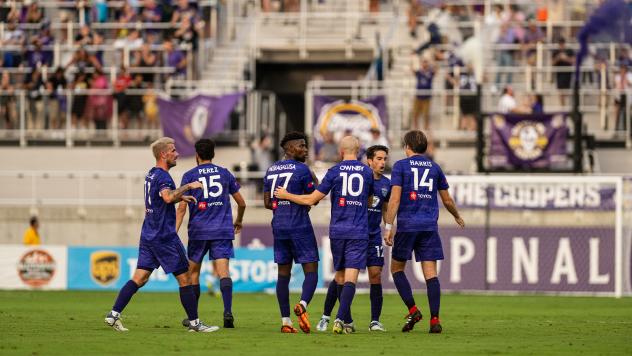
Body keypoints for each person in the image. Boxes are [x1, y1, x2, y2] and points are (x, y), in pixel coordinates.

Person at [104, 137, 218, 333]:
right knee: (186, 278)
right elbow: (166, 197)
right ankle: (195, 323)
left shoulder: (151, 174)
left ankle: (113, 315)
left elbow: (161, 198)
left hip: (148, 233)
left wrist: (179, 197)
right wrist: (188, 186)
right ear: (164, 154)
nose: (177, 154)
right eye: (173, 150)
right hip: (164, 236)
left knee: (140, 277)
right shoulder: (164, 177)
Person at [275, 135, 374, 335]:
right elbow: (370, 200)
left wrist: (287, 195)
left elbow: (312, 199)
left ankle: (346, 320)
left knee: (339, 276)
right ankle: (340, 319)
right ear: (359, 149)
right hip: (358, 229)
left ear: (340, 151)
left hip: (337, 230)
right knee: (351, 278)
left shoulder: (334, 172)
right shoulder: (367, 172)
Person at [383, 130, 464, 333]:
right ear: (426, 147)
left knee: (397, 269)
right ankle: (435, 320)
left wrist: (388, 226)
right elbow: (447, 200)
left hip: (408, 226)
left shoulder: (401, 166)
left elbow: (394, 199)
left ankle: (413, 310)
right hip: (429, 227)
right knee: (431, 275)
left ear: (407, 147)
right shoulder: (435, 168)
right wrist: (456, 215)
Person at [317, 145, 390, 332]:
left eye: (385, 159)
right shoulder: (359, 178)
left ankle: (374, 321)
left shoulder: (386, 184)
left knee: (375, 274)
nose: (382, 163)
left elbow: (386, 209)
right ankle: (328, 316)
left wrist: (388, 228)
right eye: (379, 159)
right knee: (341, 276)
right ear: (369, 161)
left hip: (372, 234)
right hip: (354, 232)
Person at [176, 138, 246, 329]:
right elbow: (242, 202)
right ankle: (228, 312)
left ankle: (194, 318)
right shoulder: (224, 174)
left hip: (198, 230)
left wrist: (174, 231)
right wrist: (238, 220)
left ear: (197, 155)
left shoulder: (189, 175)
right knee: (224, 272)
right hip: (222, 229)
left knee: (193, 274)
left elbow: (181, 208)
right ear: (213, 154)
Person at [263, 132, 320, 333]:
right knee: (311, 270)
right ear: (289, 148)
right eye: (301, 146)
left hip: (279, 226)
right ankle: (303, 304)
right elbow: (315, 196)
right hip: (300, 226)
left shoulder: (270, 170)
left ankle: (286, 322)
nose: (305, 150)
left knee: (283, 275)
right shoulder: (303, 170)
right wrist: (298, 202)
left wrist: (284, 203)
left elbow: (268, 203)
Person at [412, 57, 435, 130]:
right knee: (415, 113)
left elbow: (436, 69)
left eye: (426, 62)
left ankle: (426, 127)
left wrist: (432, 62)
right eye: (423, 62)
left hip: (426, 97)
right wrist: (414, 60)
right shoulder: (419, 72)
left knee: (426, 114)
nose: (425, 64)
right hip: (418, 96)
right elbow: (412, 70)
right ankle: (416, 127)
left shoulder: (430, 72)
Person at [552, 37, 575, 107]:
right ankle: (563, 107)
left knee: (567, 92)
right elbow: (552, 63)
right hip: (559, 74)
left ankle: (568, 107)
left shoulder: (569, 51)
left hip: (568, 73)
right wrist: (558, 58)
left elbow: (574, 61)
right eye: (560, 44)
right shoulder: (556, 52)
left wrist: (566, 58)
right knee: (561, 91)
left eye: (562, 44)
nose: (561, 45)